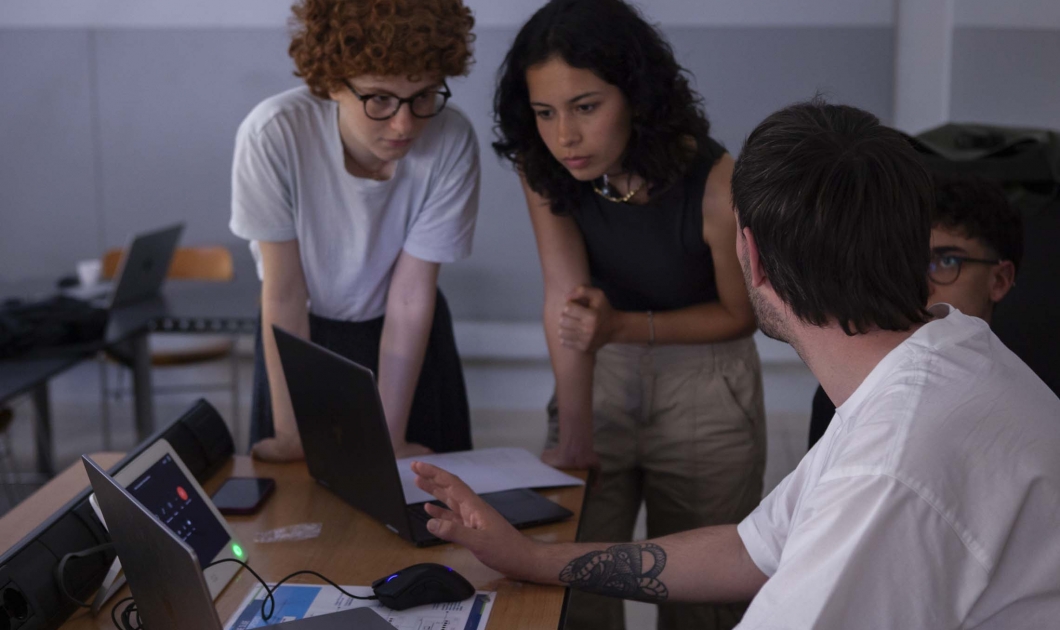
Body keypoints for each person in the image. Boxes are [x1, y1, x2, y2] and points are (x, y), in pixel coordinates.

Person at [411, 101, 1060, 629]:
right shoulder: (942, 352)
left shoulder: (890, 464)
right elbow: (752, 550)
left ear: (751, 255)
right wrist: (534, 560)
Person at [493, 1, 764, 628]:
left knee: (704, 601)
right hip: (598, 366)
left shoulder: (720, 182)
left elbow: (739, 314)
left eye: (586, 107)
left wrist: (621, 327)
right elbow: (566, 295)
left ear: (637, 97)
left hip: (707, 385)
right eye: (544, 112)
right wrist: (575, 431)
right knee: (571, 587)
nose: (564, 135)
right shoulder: (543, 165)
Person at [230, 0, 479, 462]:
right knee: (295, 504)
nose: (404, 124)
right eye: (379, 98)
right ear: (329, 85)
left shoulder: (451, 139)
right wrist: (290, 434)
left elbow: (409, 296)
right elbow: (284, 294)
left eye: (423, 95)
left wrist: (389, 436)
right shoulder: (274, 135)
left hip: (408, 338)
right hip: (301, 336)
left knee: (422, 507)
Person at [807, 175, 1024, 448]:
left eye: (947, 261)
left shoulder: (1025, 398)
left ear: (1000, 280)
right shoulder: (846, 393)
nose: (922, 285)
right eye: (913, 261)